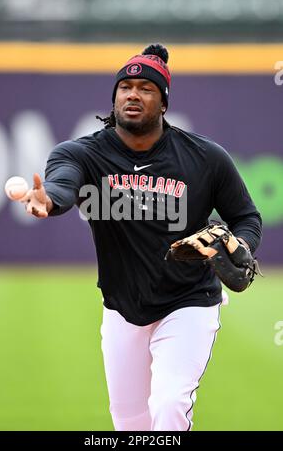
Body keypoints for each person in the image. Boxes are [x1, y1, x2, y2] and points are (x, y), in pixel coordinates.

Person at [20, 44, 262, 431]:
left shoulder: (205, 157)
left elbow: (245, 216)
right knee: (130, 424)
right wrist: (47, 200)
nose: (133, 94)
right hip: (122, 306)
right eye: (125, 86)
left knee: (168, 405)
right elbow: (62, 185)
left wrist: (243, 246)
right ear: (114, 97)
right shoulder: (83, 153)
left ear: (163, 102)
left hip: (189, 302)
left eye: (146, 88)